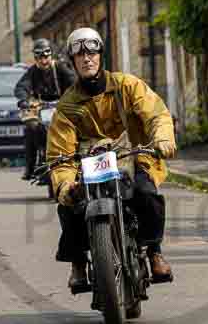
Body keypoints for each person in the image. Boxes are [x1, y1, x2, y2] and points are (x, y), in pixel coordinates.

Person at [46, 27, 176, 291]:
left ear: (101, 55)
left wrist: (162, 138)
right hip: (89, 165)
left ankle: (153, 251)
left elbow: (156, 114)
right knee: (71, 206)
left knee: (145, 192)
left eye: (92, 52)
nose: (86, 58)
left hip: (134, 155)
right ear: (72, 61)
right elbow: (60, 154)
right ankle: (79, 263)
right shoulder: (67, 105)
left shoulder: (127, 85)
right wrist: (65, 184)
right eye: (79, 54)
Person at [15, 39, 75, 180]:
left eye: (46, 57)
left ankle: (77, 158)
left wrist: (74, 97)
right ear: (35, 58)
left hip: (61, 106)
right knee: (31, 127)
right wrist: (23, 99)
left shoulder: (60, 68)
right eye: (40, 58)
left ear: (51, 56)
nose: (43, 61)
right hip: (40, 107)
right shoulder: (32, 71)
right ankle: (30, 166)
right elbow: (22, 86)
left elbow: (74, 82)